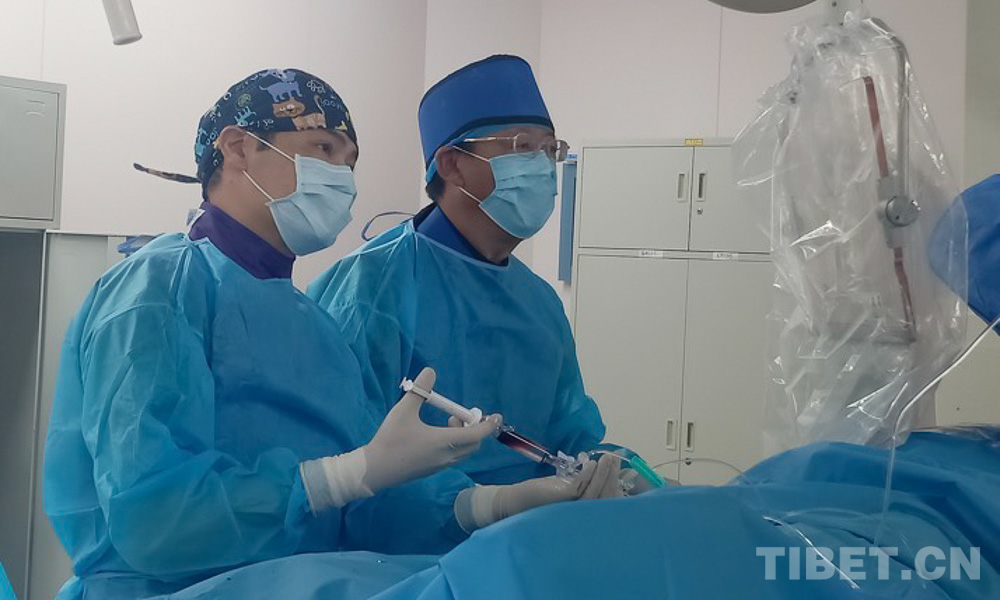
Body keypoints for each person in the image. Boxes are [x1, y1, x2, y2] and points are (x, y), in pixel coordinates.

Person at [42, 68, 504, 600]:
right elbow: (154, 518)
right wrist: (341, 476)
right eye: (323, 148)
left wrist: (485, 506)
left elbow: (363, 509)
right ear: (238, 148)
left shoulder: (315, 327)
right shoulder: (155, 291)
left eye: (350, 162)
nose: (343, 178)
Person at [308, 55, 615, 537]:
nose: (543, 167)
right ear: (452, 164)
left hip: (530, 542)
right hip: (397, 557)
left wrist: (605, 466)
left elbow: (568, 433)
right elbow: (342, 470)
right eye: (522, 147)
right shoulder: (370, 288)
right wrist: (482, 506)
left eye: (549, 149)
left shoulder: (538, 302)